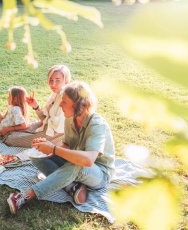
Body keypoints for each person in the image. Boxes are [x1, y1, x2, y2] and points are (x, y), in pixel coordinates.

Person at [7, 81, 116, 214]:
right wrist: (47, 148)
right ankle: (72, 187)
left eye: (64, 101)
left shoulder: (97, 124)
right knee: (36, 155)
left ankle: (26, 196)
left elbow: (88, 161)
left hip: (99, 173)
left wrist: (54, 150)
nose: (60, 104)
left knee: (78, 165)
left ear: (77, 105)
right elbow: (66, 145)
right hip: (75, 161)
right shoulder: (70, 118)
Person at [3, 65, 71, 147]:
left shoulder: (65, 97)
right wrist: (35, 106)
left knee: (10, 139)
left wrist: (38, 127)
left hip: (53, 134)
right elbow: (44, 118)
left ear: (66, 81)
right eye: (51, 80)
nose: (53, 84)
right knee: (12, 131)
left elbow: (56, 127)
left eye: (58, 80)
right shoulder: (54, 94)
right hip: (45, 126)